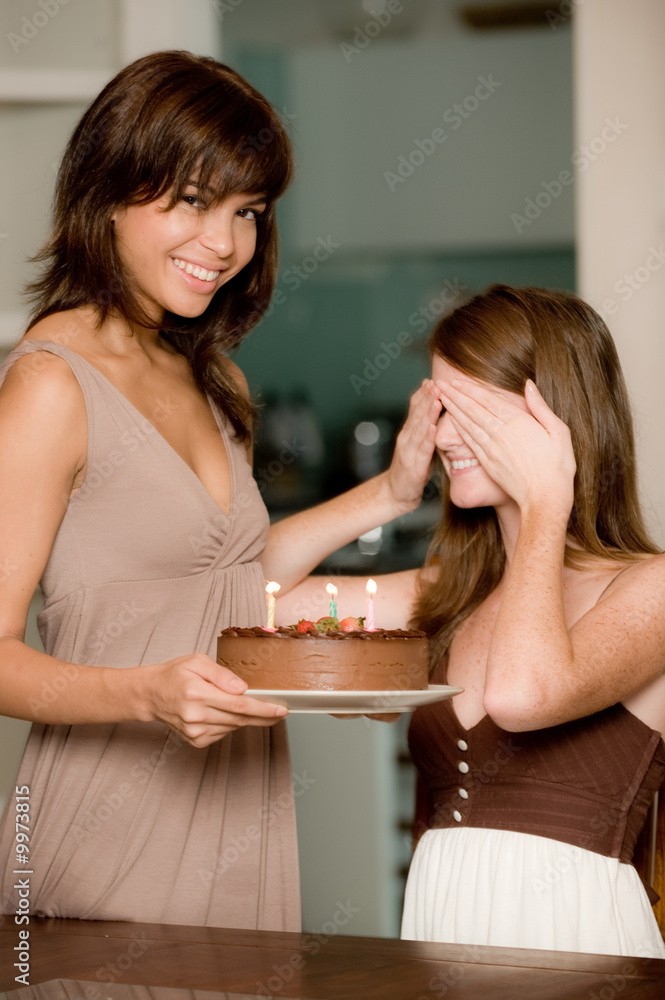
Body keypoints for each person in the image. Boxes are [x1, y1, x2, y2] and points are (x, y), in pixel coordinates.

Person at [0, 50, 432, 929]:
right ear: (110, 189)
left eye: (247, 212)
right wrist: (146, 696)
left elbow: (224, 582)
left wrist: (386, 494)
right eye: (192, 202)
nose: (224, 245)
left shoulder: (212, 377)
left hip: (239, 812)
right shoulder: (51, 384)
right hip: (108, 830)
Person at [278, 283, 665, 958]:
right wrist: (388, 493)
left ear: (558, 421)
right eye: (438, 406)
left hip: (581, 946)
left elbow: (520, 697)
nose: (444, 436)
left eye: (473, 413)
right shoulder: (445, 594)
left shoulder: (649, 586)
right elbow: (252, 598)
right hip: (438, 932)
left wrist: (547, 501)